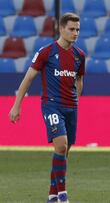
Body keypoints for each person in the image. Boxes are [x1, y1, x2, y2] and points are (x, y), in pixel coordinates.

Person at [9, 13, 85, 203]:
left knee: (63, 152)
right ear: (61, 29)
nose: (75, 33)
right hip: (52, 105)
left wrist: (77, 97)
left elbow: (79, 80)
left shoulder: (79, 55)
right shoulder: (47, 52)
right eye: (71, 29)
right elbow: (28, 78)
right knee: (61, 145)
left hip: (71, 107)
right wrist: (16, 105)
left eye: (78, 30)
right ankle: (63, 194)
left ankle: (52, 196)